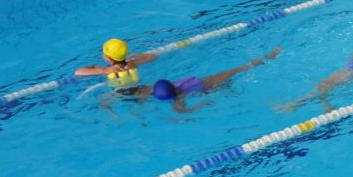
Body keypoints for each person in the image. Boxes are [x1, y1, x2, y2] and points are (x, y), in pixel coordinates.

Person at [108, 48, 281, 114]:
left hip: (211, 85)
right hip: (210, 83)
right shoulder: (178, 96)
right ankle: (269, 57)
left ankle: (268, 57)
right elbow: (184, 112)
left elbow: (183, 114)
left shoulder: (171, 98)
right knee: (241, 69)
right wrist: (203, 104)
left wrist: (203, 104)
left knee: (236, 75)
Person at [73, 38, 158, 80]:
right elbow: (153, 56)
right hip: (137, 86)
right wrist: (137, 54)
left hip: (118, 94)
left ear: (109, 59)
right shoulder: (132, 63)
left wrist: (99, 69)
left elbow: (78, 72)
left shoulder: (107, 70)